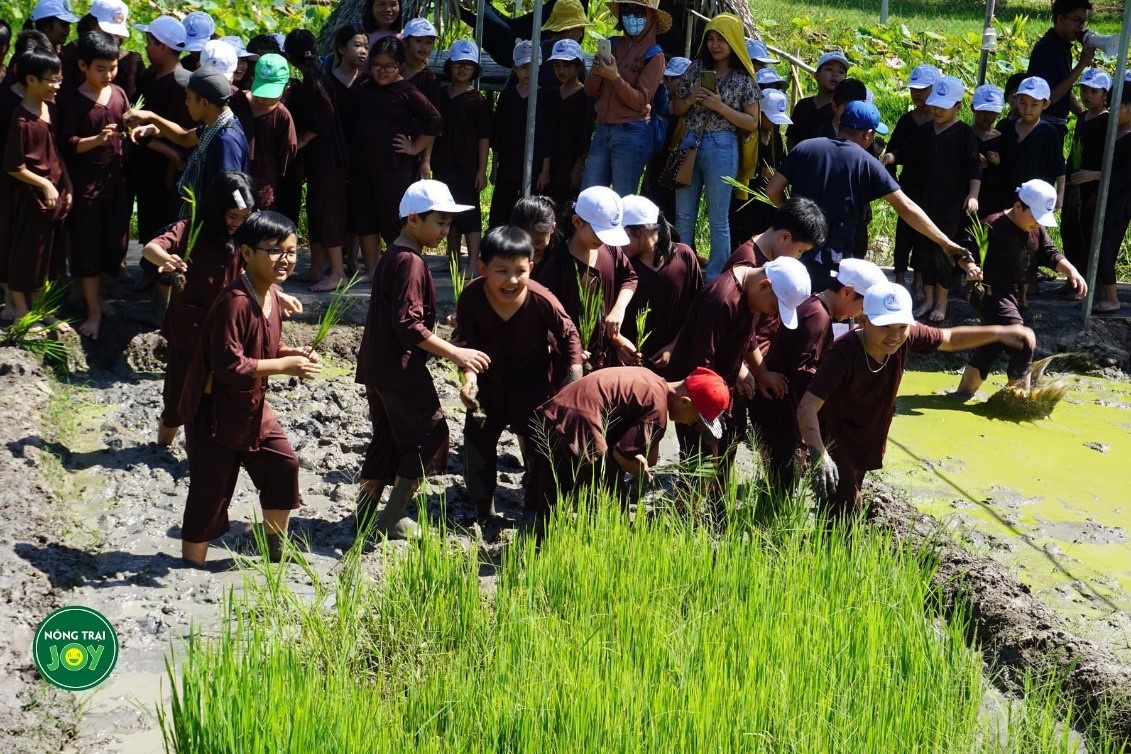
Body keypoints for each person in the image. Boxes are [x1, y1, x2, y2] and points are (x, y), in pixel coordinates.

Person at [797, 282, 1038, 520]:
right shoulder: (843, 354)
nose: (894, 336)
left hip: (867, 433)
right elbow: (807, 407)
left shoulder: (906, 337)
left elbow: (950, 338)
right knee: (846, 507)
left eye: (902, 326)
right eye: (885, 326)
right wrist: (820, 456)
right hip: (835, 439)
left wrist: (1000, 332)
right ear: (863, 321)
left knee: (841, 509)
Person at [177, 210, 318, 567]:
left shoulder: (270, 294)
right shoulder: (235, 302)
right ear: (247, 253)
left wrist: (290, 353)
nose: (284, 259)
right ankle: (189, 569)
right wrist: (284, 366)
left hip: (252, 406)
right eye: (274, 250)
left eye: (291, 250)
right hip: (215, 412)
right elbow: (230, 365)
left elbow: (263, 348)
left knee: (283, 465)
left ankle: (273, 550)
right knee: (211, 493)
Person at [353, 180, 490, 541]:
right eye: (440, 223)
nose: (446, 231)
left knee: (386, 436)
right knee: (428, 436)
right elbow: (407, 325)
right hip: (399, 369)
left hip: (377, 365)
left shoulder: (393, 256)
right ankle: (391, 519)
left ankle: (364, 514)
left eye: (448, 224)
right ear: (413, 219)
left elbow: (402, 316)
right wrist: (456, 351)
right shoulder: (411, 263)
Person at [766, 100, 980, 293]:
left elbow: (772, 191)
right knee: (825, 320)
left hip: (793, 250)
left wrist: (798, 221)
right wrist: (946, 243)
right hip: (833, 259)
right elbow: (906, 207)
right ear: (867, 134)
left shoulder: (806, 147)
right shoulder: (865, 162)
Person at [456, 226, 583, 521]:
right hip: (487, 387)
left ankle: (536, 509)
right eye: (501, 271)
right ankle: (484, 510)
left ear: (531, 268)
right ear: (483, 268)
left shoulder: (542, 300)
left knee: (541, 450)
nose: (512, 280)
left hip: (534, 387)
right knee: (477, 447)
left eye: (520, 271)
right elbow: (465, 344)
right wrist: (469, 380)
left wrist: (572, 381)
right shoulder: (471, 298)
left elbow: (570, 337)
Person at [525, 365, 731, 532]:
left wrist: (642, 460)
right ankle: (605, 543)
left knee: (551, 495)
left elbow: (636, 447)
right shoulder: (658, 413)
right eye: (696, 419)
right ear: (685, 402)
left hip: (554, 414)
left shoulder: (650, 378)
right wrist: (639, 473)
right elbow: (620, 454)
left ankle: (538, 538)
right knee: (613, 498)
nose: (692, 424)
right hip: (581, 426)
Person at [658, 257, 811, 471]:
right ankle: (687, 504)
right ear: (765, 285)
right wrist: (710, 414)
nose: (772, 313)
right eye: (774, 306)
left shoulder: (749, 295)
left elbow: (747, 337)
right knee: (700, 468)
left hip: (720, 392)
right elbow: (701, 364)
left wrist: (760, 372)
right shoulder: (722, 300)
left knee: (722, 461)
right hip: (696, 399)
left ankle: (717, 504)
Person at [751, 258, 887, 491]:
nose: (860, 314)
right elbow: (803, 371)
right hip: (782, 409)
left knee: (780, 478)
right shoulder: (819, 317)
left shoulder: (814, 302)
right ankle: (768, 521)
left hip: (778, 405)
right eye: (862, 307)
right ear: (847, 292)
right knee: (783, 482)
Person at [142, 172, 255, 446]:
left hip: (227, 329)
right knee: (178, 396)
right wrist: (167, 259)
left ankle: (214, 447)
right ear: (217, 209)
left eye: (244, 217)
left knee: (223, 391)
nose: (236, 223)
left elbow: (255, 270)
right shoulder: (190, 228)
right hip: (190, 329)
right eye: (231, 216)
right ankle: (162, 446)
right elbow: (150, 249)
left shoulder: (244, 236)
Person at [955, 180, 1087, 397]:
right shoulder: (991, 225)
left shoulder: (1036, 230)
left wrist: (1072, 271)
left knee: (991, 344)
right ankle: (1018, 401)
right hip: (991, 296)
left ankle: (961, 395)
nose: (1037, 223)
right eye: (1034, 217)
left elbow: (1051, 254)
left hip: (1017, 298)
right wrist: (971, 268)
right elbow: (964, 254)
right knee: (1023, 340)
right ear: (1018, 206)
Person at [882, 76, 982, 322]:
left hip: (949, 203)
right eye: (935, 105)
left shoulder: (964, 134)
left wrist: (973, 194)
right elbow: (908, 151)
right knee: (924, 250)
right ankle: (927, 299)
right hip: (923, 199)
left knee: (943, 250)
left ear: (958, 107)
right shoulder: (925, 130)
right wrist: (893, 157)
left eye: (944, 106)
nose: (937, 110)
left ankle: (942, 300)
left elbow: (974, 167)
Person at [670, 13, 760, 280]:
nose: (714, 44)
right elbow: (677, 107)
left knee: (718, 219)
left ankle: (716, 279)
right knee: (683, 215)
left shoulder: (744, 79)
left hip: (723, 145)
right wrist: (692, 98)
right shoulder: (696, 68)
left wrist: (719, 106)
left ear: (733, 41)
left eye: (721, 39)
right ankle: (682, 273)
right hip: (689, 141)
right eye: (710, 38)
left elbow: (752, 122)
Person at [348, 36, 442, 278]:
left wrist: (415, 147)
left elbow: (434, 120)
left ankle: (399, 270)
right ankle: (372, 270)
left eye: (388, 66)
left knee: (392, 221)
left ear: (400, 66)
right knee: (365, 220)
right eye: (377, 65)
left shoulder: (408, 91)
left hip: (393, 168)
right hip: (362, 165)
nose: (382, 71)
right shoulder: (363, 86)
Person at [59, 29, 129, 340]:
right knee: (87, 247)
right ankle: (93, 311)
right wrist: (97, 140)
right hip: (86, 187)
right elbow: (68, 144)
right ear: (83, 66)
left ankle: (94, 295)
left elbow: (126, 127)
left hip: (116, 184)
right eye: (101, 69)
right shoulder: (72, 100)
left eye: (112, 68)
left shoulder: (119, 94)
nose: (108, 75)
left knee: (115, 246)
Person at [531, 185, 638, 371]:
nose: (602, 240)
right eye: (598, 232)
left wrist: (618, 312)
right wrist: (561, 343)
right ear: (577, 222)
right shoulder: (557, 266)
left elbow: (630, 278)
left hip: (606, 358)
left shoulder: (611, 250)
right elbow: (540, 316)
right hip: (571, 363)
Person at [2, 47, 71, 323]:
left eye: (59, 80)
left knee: (46, 257)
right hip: (31, 199)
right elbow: (13, 167)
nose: (56, 86)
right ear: (31, 80)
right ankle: (21, 311)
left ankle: (41, 309)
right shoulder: (21, 121)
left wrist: (66, 185)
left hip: (52, 198)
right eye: (51, 80)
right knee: (25, 256)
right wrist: (45, 184)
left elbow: (56, 152)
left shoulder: (49, 109)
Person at [128, 65, 250, 220]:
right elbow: (184, 138)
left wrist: (237, 222)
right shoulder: (215, 125)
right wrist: (152, 119)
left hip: (214, 224)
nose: (186, 103)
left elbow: (234, 189)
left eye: (189, 97)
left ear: (204, 103)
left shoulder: (226, 141)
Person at [283, 28, 349, 291]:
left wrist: (303, 140)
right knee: (316, 209)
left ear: (288, 55)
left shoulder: (313, 78)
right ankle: (315, 268)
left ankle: (337, 272)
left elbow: (326, 115)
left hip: (328, 157)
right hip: (321, 157)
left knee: (327, 211)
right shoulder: (316, 74)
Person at [131, 14, 189, 307]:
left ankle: (158, 275)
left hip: (166, 164)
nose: (145, 47)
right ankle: (146, 268)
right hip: (146, 158)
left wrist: (169, 162)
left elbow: (179, 137)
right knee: (149, 213)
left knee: (164, 217)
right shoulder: (150, 75)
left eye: (150, 43)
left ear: (163, 47)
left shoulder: (181, 83)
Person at [580, 0, 667, 196]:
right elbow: (589, 90)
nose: (631, 17)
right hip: (603, 129)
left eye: (638, 11)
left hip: (632, 132)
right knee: (589, 196)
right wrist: (597, 72)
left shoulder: (655, 56)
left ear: (651, 16)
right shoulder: (612, 45)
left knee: (623, 199)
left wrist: (615, 77)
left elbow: (640, 101)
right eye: (627, 11)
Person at [618, 195, 702, 363]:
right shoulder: (622, 262)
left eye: (624, 235)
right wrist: (617, 344)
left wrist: (674, 346)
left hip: (675, 362)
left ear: (641, 232)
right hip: (631, 363)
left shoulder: (684, 257)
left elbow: (697, 309)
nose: (620, 243)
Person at [432, 39, 490, 274]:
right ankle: (452, 260)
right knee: (448, 213)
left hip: (467, 166)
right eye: (458, 64)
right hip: (443, 163)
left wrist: (481, 169)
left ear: (475, 68)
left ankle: (473, 261)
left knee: (469, 213)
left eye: (468, 64)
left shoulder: (478, 101)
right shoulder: (440, 95)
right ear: (450, 66)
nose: (462, 69)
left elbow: (484, 138)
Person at [886, 63, 940, 291]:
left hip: (934, 187)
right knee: (904, 233)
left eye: (923, 89)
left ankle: (919, 279)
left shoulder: (942, 123)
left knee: (924, 234)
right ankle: (899, 278)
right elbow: (891, 153)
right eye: (914, 89)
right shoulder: (906, 121)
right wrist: (892, 183)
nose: (917, 94)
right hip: (909, 185)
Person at [1061, 68, 1110, 282]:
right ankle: (1073, 280)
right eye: (1084, 90)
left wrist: (1094, 175)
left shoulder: (1108, 120)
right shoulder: (1082, 117)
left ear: (1105, 95)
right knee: (1069, 230)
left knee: (1086, 234)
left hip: (1092, 185)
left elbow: (1112, 158)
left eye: (1093, 91)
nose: (1087, 95)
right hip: (1075, 182)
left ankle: (1086, 283)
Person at [233, 54, 297, 213]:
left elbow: (286, 154)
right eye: (262, 92)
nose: (265, 99)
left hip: (262, 191)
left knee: (259, 231)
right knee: (235, 220)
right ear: (253, 79)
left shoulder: (282, 116)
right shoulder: (235, 101)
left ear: (286, 87)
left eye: (272, 94)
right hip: (233, 185)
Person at [536, 38, 593, 214]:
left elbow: (586, 132)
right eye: (557, 66)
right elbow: (548, 132)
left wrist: (579, 165)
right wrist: (545, 169)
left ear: (578, 67)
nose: (561, 70)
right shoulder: (553, 94)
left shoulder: (585, 95)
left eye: (566, 66)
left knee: (567, 209)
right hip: (552, 161)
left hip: (571, 162)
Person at [729, 87, 790, 246]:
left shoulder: (776, 137)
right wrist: (757, 172)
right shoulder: (744, 134)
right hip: (743, 195)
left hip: (766, 200)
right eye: (771, 118)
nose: (774, 123)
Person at [1089, 81, 1131, 314]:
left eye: (1119, 107)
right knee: (1098, 244)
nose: (1113, 112)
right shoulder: (1113, 132)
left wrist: (1096, 176)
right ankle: (1104, 294)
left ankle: (1113, 297)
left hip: (1122, 201)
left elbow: (1123, 176)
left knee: (1105, 250)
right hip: (1109, 198)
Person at [996, 76, 1066, 213]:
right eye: (1023, 103)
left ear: (1045, 104)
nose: (1027, 109)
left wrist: (1060, 194)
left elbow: (1058, 165)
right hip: (1006, 195)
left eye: (1034, 104)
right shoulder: (1006, 127)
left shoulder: (1049, 133)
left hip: (1036, 200)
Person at [1026, 0, 1096, 138]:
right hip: (1041, 131)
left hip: (1054, 129)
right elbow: (1050, 96)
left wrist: (1084, 115)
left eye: (1083, 22)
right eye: (1077, 20)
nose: (1081, 27)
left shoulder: (1063, 48)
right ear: (1060, 19)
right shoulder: (1046, 49)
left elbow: (1065, 90)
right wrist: (1082, 64)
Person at [489, 39, 537, 228]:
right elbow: (498, 135)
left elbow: (548, 139)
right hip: (508, 164)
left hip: (534, 165)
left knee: (529, 214)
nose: (528, 72)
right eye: (524, 67)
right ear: (515, 68)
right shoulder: (507, 96)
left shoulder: (545, 97)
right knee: (501, 210)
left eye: (532, 67)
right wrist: (494, 168)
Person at [786, 50, 847, 149]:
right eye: (829, 69)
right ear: (816, 75)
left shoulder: (842, 111)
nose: (835, 74)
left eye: (841, 72)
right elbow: (791, 139)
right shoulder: (803, 105)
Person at [971, 84, 1005, 234]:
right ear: (973, 109)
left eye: (992, 112)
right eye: (983, 111)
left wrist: (995, 164)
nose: (987, 116)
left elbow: (1008, 171)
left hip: (992, 197)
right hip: (967, 195)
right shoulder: (965, 134)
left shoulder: (1002, 139)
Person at [535, 0, 591, 89]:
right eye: (580, 29)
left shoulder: (537, 50)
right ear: (570, 29)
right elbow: (588, 88)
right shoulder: (574, 54)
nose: (581, 34)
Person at [401, 17, 441, 110]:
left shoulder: (430, 80)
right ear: (405, 42)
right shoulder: (394, 70)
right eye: (418, 41)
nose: (424, 47)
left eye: (429, 42)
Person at [510, 194, 558, 266]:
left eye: (537, 242)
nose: (531, 249)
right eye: (524, 242)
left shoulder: (562, 258)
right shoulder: (506, 253)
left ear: (552, 228)